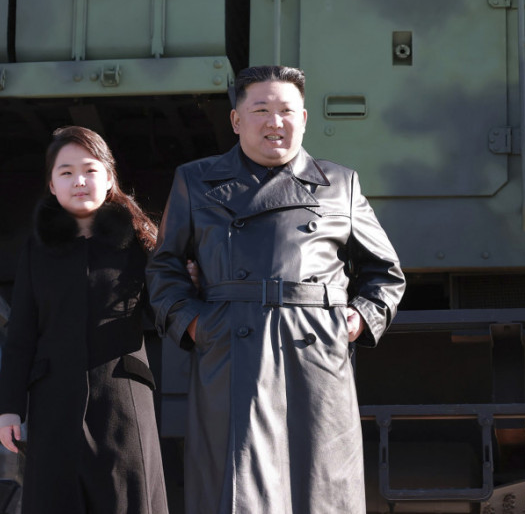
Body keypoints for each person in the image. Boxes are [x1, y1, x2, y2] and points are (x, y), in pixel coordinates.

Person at [146, 65, 406, 514]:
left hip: (314, 353)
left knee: (319, 485)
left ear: (303, 118)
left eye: (286, 111)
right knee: (238, 487)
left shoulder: (340, 184)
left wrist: (356, 321)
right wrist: (195, 325)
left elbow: (385, 272)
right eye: (261, 110)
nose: (275, 122)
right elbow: (163, 266)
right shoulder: (195, 180)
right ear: (236, 120)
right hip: (231, 351)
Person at [0, 126, 168, 514]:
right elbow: (21, 334)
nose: (79, 181)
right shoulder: (36, 251)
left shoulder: (141, 244)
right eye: (66, 172)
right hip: (53, 406)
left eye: (90, 170)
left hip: (123, 403)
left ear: (108, 179)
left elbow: (165, 312)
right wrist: (9, 407)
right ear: (52, 185)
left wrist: (186, 277)